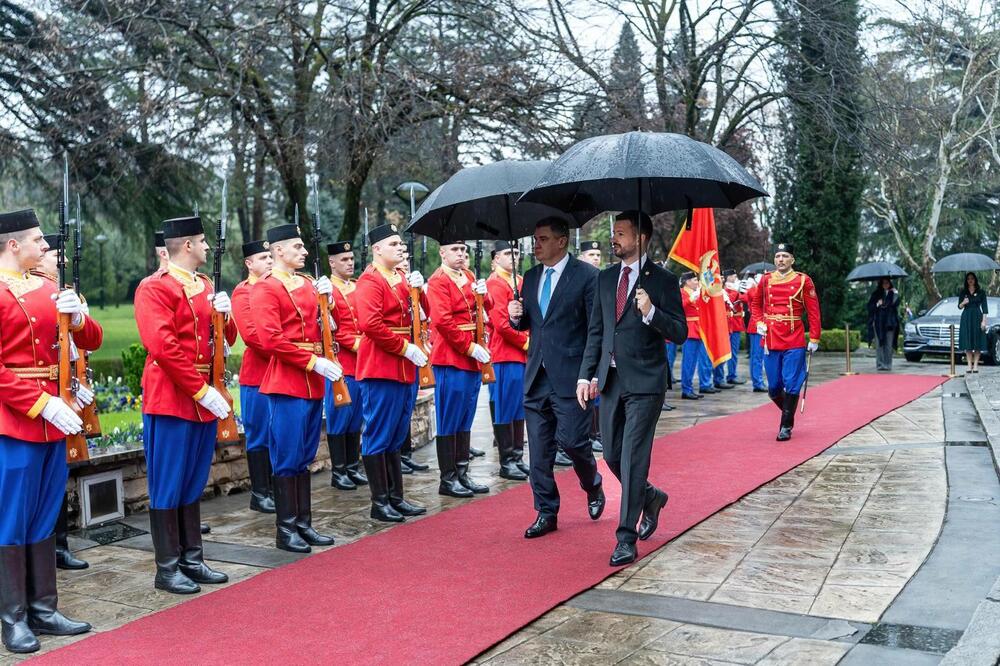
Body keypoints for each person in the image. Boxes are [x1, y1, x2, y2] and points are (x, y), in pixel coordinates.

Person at [0, 209, 100, 653]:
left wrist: (78, 317)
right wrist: (41, 403)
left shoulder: (49, 288)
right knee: (11, 519)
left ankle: (44, 607)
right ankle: (13, 617)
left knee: (43, 515)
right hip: (16, 420)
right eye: (38, 240)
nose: (46, 247)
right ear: (12, 245)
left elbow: (91, 339)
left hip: (54, 421)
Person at [577, 211, 687, 566]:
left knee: (633, 457)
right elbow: (597, 331)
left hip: (646, 382)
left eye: (621, 234)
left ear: (640, 238)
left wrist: (652, 311)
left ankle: (626, 537)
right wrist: (585, 375)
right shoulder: (605, 279)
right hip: (610, 381)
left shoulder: (664, 280)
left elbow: (680, 331)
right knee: (610, 455)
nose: (615, 239)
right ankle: (651, 496)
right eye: (614, 233)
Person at [134, 215, 234, 593]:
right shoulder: (154, 288)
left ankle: (193, 558)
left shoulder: (206, 285)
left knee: (193, 480)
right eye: (203, 242)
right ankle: (167, 567)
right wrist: (200, 389)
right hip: (172, 397)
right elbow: (162, 346)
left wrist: (226, 315)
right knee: (168, 482)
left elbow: (225, 340)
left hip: (201, 396)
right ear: (187, 246)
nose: (208, 247)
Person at [508, 217, 605, 539]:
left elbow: (595, 329)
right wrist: (516, 317)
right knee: (538, 451)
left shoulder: (588, 276)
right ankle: (546, 512)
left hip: (571, 377)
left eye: (542, 238)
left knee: (575, 442)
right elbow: (532, 325)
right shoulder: (531, 277)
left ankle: (592, 484)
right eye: (535, 238)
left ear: (561, 241)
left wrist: (589, 374)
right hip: (537, 376)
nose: (536, 244)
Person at [251, 224, 339, 553]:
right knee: (287, 456)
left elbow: (323, 327)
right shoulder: (265, 288)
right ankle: (286, 528)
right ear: (279, 251)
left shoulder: (306, 284)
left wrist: (329, 305)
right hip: (288, 380)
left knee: (305, 455)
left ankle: (304, 523)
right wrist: (312, 362)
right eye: (298, 247)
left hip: (312, 381)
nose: (304, 252)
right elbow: (270, 339)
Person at [354, 224, 428, 522]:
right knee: (379, 434)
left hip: (403, 366)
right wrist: (403, 347)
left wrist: (419, 291)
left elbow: (421, 313)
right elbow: (370, 324)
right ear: (377, 249)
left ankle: (396, 497)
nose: (401, 248)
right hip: (382, 365)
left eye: (401, 244)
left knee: (397, 433)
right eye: (394, 244)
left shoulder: (400, 277)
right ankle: (379, 501)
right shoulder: (370, 280)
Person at [34, 234, 91, 570]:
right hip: (47, 394)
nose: (62, 261)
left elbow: (83, 346)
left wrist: (81, 383)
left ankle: (60, 542)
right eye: (55, 254)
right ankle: (53, 547)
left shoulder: (69, 293)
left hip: (69, 389)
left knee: (59, 471)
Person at [427, 242, 492, 496]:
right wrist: (468, 347)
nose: (461, 255)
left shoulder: (469, 276)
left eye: (464, 250)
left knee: (466, 416)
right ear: (442, 252)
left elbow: (484, 311)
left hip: (471, 355)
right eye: (455, 250)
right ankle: (448, 478)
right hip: (452, 355)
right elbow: (443, 321)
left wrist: (484, 296)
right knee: (449, 418)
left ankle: (462, 473)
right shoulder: (438, 280)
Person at [749, 243, 821, 441]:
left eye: (785, 256)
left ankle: (785, 426)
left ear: (792, 260)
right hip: (771, 337)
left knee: (791, 382)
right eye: (778, 256)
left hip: (793, 337)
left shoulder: (803, 281)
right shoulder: (765, 280)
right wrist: (759, 322)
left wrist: (814, 337)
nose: (780, 259)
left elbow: (813, 311)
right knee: (773, 387)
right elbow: (755, 305)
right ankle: (788, 410)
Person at [231, 239, 275, 513]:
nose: (269, 261)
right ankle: (260, 493)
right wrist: (289, 350)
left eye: (271, 256)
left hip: (281, 372)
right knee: (259, 434)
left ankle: (276, 488)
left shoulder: (277, 287)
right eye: (263, 257)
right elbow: (252, 335)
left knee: (277, 434)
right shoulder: (243, 292)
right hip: (258, 374)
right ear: (249, 263)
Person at [323, 241, 369, 489]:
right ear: (332, 262)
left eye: (351, 259)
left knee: (355, 417)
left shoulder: (359, 286)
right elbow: (332, 330)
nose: (350, 263)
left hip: (363, 363)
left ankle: (352, 466)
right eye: (344, 259)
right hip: (343, 361)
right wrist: (360, 345)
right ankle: (338, 471)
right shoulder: (326, 290)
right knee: (339, 417)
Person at [485, 241, 529, 481]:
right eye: (507, 253)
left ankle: (518, 455)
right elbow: (502, 324)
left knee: (518, 406)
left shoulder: (519, 281)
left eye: (516, 252)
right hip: (504, 354)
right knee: (504, 406)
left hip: (520, 355)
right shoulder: (494, 283)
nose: (514, 257)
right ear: (495, 258)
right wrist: (527, 342)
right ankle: (507, 460)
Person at [678, 272, 714, 399]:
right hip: (690, 329)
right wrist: (690, 299)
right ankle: (686, 389)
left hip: (699, 329)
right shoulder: (682, 292)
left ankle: (689, 388)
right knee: (688, 362)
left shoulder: (696, 292)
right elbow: (679, 307)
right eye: (694, 280)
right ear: (687, 281)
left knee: (694, 362)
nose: (696, 282)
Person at [957, 272, 989, 373]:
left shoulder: (981, 292)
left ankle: (975, 366)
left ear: (975, 280)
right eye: (968, 279)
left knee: (977, 341)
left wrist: (983, 321)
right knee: (968, 341)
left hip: (977, 316)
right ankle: (969, 365)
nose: (970, 280)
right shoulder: (963, 292)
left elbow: (985, 308)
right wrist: (964, 302)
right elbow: (959, 306)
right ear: (966, 281)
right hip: (966, 317)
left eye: (972, 278)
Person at [741, 271, 767, 393]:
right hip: (757, 324)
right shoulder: (754, 289)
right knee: (757, 356)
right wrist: (755, 285)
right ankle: (758, 382)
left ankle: (758, 381)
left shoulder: (758, 289)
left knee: (757, 356)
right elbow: (749, 297)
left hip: (760, 324)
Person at [867, 277, 900, 372]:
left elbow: (896, 304)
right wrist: (877, 304)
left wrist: (895, 294)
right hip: (878, 323)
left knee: (889, 344)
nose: (886, 285)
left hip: (890, 323)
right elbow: (870, 307)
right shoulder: (876, 294)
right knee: (879, 344)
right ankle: (880, 364)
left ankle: (888, 364)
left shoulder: (893, 294)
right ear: (881, 284)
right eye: (884, 283)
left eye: (887, 283)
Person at [722, 269, 746, 385]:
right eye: (733, 276)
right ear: (727, 277)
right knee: (726, 352)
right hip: (729, 323)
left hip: (735, 323)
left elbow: (744, 299)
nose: (735, 277)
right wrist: (736, 290)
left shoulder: (734, 288)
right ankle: (726, 376)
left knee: (734, 353)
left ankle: (732, 374)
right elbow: (730, 300)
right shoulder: (726, 289)